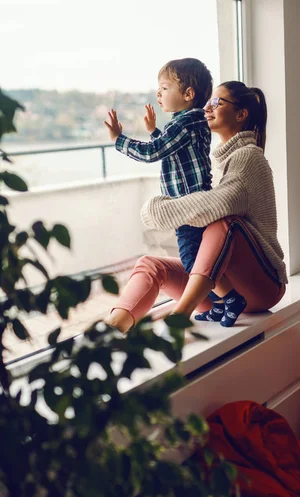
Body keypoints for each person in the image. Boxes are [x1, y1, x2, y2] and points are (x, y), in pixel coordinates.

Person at [105, 81, 287, 334]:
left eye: (217, 102)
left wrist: (158, 209)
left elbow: (222, 203)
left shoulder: (248, 156)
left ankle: (179, 317)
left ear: (241, 114)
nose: (207, 108)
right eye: (209, 102)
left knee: (223, 222)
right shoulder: (222, 160)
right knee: (151, 265)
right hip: (225, 294)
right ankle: (112, 331)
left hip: (263, 286)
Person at [104, 57, 237, 323]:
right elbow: (173, 152)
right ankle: (221, 302)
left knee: (193, 262)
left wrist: (119, 140)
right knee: (199, 257)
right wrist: (154, 131)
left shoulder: (184, 123)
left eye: (164, 88)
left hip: (188, 208)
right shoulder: (193, 122)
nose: (158, 93)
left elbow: (154, 153)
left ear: (188, 94)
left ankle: (230, 297)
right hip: (195, 204)